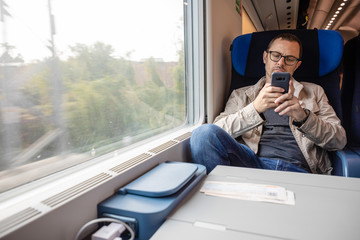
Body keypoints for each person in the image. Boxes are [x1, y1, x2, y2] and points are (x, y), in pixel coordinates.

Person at [190, 33, 347, 174]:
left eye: (290, 58)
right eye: (276, 55)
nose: (281, 63)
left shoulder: (314, 92)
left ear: (297, 65)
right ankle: (221, 198)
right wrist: (255, 108)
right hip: (251, 166)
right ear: (265, 57)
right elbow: (217, 131)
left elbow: (339, 140)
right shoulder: (241, 94)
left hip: (298, 169)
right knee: (202, 134)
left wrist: (304, 117)